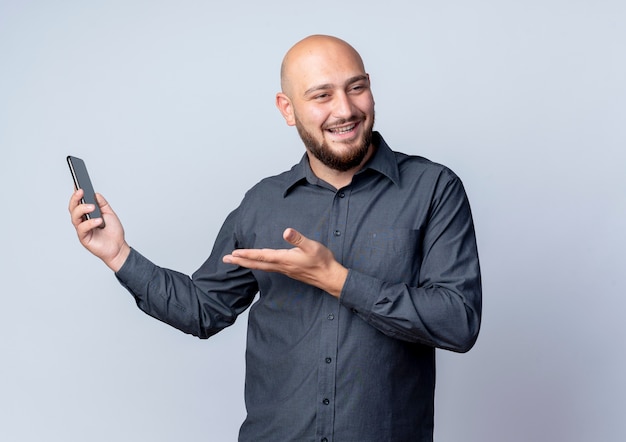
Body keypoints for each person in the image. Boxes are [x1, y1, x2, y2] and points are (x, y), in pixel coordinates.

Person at [69, 34, 481, 442]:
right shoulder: (262, 203)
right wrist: (119, 254)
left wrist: (337, 279)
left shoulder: (433, 188)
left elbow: (458, 322)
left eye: (356, 88)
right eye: (322, 95)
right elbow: (203, 309)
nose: (346, 109)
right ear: (288, 109)